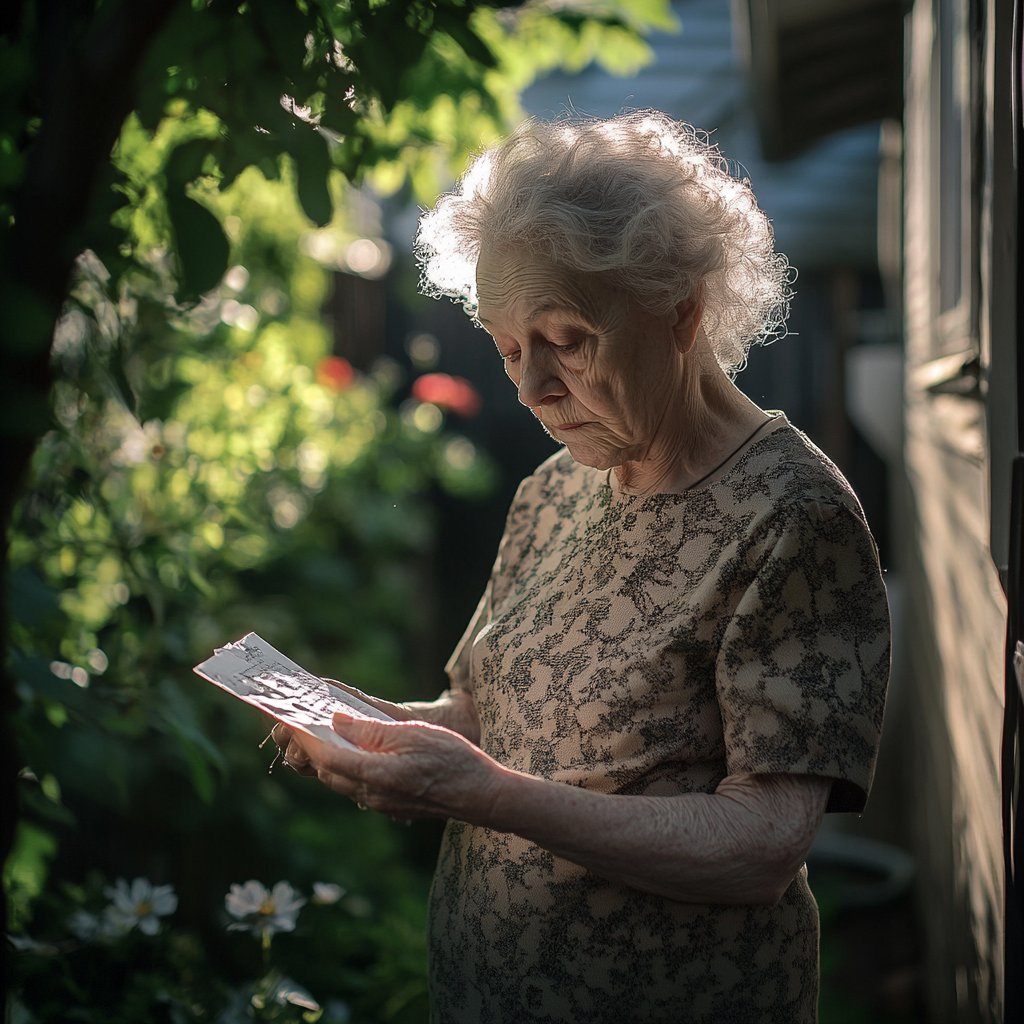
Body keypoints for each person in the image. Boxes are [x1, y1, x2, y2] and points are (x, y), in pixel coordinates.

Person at [273, 110, 890, 1023]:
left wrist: (485, 793)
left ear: (681, 309)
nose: (528, 389)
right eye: (507, 347)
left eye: (564, 338)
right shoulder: (555, 490)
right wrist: (377, 730)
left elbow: (762, 844)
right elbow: (486, 712)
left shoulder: (791, 516)